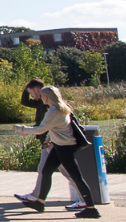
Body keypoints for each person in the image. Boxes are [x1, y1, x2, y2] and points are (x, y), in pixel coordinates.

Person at [12, 86, 101, 219]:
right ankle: (40, 202)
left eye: (42, 95)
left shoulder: (53, 111)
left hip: (64, 148)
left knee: (77, 177)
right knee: (47, 171)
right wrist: (49, 139)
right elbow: (57, 128)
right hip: (60, 145)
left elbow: (41, 129)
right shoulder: (63, 108)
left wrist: (22, 129)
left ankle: (91, 208)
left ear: (47, 97)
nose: (40, 98)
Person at [19, 79, 86, 211]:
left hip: (56, 144)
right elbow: (25, 102)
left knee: (68, 173)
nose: (32, 97)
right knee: (43, 170)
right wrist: (26, 87)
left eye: (32, 93)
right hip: (48, 142)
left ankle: (85, 201)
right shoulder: (44, 104)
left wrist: (22, 129)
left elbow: (44, 127)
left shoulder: (51, 108)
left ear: (42, 93)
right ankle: (37, 198)